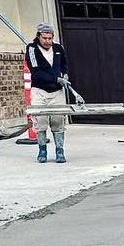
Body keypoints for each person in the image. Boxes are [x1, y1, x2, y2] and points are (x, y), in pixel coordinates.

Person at [25, 23, 69, 164]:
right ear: (38, 36)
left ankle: (59, 151)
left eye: (50, 38)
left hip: (57, 90)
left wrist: (66, 75)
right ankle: (42, 149)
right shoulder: (31, 49)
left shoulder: (58, 49)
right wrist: (56, 78)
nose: (47, 41)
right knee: (41, 121)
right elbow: (36, 72)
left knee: (58, 120)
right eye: (44, 38)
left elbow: (64, 64)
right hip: (39, 90)